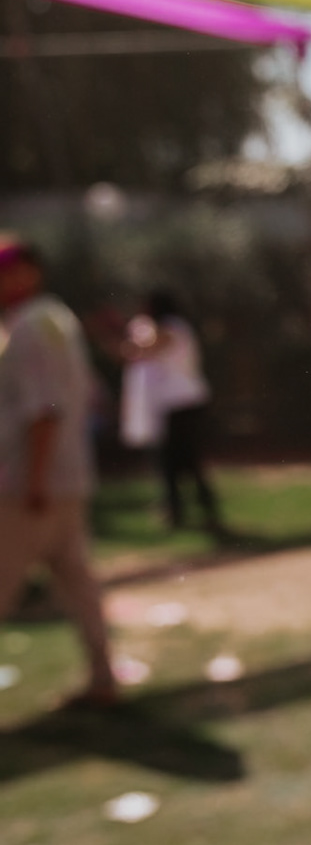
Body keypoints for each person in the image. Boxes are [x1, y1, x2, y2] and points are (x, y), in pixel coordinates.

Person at [0, 237, 118, 708]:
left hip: (30, 483)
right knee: (76, 580)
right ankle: (103, 676)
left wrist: (34, 480)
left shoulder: (31, 326)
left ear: (30, 272)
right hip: (65, 477)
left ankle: (103, 677)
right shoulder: (54, 319)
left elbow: (44, 408)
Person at [121, 290, 223, 534]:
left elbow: (145, 348)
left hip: (181, 403)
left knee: (176, 460)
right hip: (176, 404)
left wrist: (117, 333)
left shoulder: (173, 328)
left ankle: (183, 510)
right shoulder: (174, 327)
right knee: (180, 460)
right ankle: (186, 509)